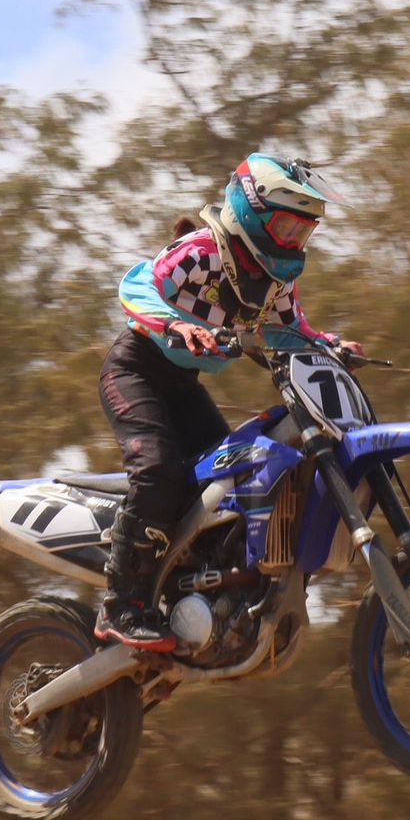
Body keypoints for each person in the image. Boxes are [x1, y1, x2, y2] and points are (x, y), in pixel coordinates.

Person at [96, 152, 363, 651]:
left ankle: (189, 590)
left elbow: (289, 333)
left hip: (183, 389)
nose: (292, 242)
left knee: (226, 482)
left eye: (302, 233)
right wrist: (177, 324)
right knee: (159, 471)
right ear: (248, 208)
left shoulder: (276, 280)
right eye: (284, 226)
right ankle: (118, 604)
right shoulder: (202, 253)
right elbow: (135, 286)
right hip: (135, 372)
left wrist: (331, 345)